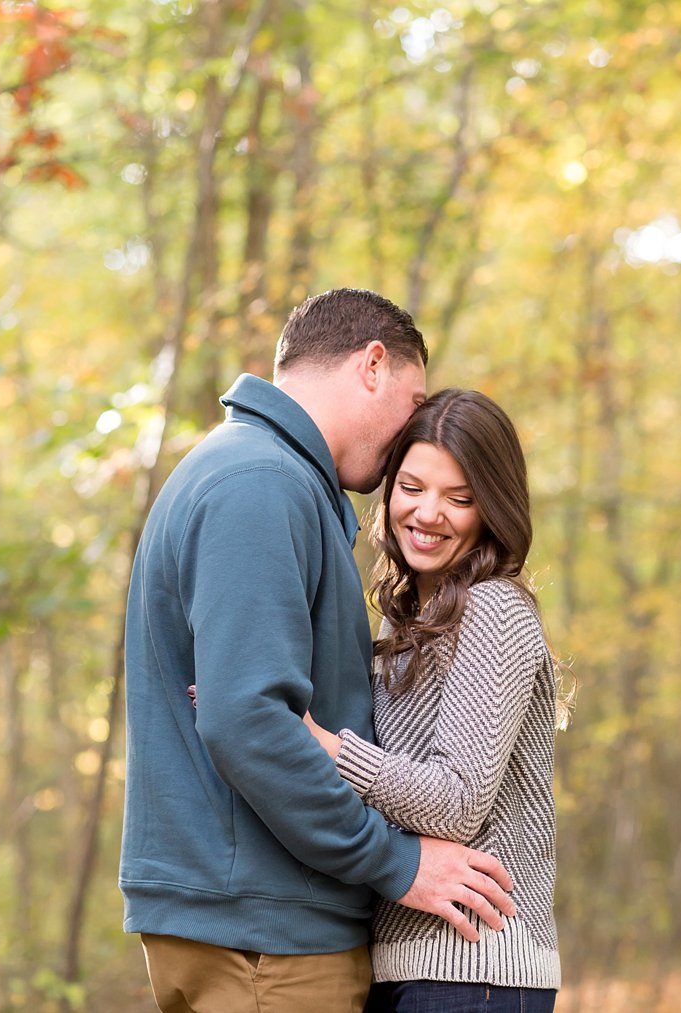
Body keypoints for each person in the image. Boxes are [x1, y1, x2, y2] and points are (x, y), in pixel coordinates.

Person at [120, 290, 517, 1013]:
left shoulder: (268, 476)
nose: (409, 435)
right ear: (373, 365)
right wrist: (394, 862)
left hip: (263, 919)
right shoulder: (260, 483)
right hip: (265, 933)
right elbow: (248, 721)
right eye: (414, 397)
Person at [303, 388, 561, 1013]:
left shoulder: (494, 609)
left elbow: (456, 803)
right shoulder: (408, 621)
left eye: (460, 498)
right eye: (412, 487)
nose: (428, 513)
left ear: (491, 508)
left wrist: (322, 746)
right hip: (413, 967)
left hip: (477, 967)